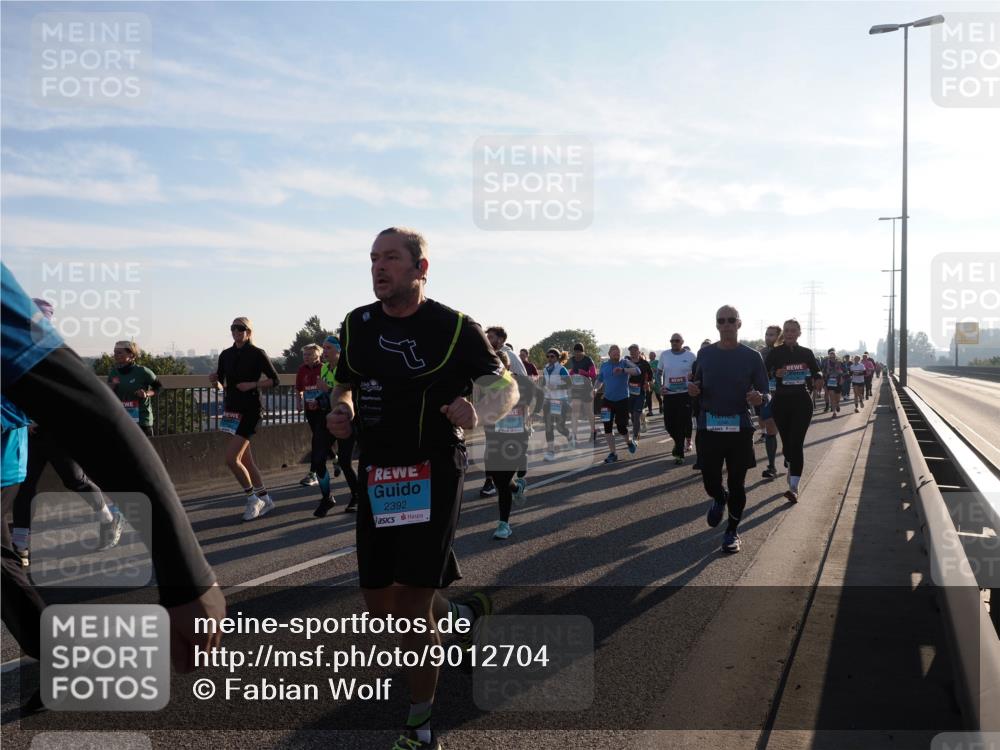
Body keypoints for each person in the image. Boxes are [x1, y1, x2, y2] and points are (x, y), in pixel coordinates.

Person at [325, 227, 518, 750]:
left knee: (411, 606)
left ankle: (420, 725)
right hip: (379, 473)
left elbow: (505, 384)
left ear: (421, 268)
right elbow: (344, 382)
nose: (378, 267)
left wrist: (479, 409)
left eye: (391, 258)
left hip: (433, 469)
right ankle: (459, 618)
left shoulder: (455, 327)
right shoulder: (357, 323)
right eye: (373, 258)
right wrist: (342, 408)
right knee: (380, 605)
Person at [1, 263, 226, 686]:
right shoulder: (111, 369)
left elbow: (88, 408)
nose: (119, 355)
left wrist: (186, 576)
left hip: (30, 445)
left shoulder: (21, 331)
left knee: (73, 482)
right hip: (32, 441)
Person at [688, 306, 768, 553]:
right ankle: (718, 497)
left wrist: (760, 398)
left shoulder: (752, 356)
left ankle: (732, 531)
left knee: (737, 483)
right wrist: (694, 389)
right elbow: (697, 383)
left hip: (739, 427)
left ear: (739, 324)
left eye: (731, 320)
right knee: (710, 482)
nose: (726, 325)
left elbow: (766, 392)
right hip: (709, 427)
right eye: (721, 321)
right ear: (716, 325)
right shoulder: (705, 354)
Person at [210, 317, 281, 521]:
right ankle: (265, 499)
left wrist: (253, 385)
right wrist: (214, 382)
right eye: (233, 328)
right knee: (246, 460)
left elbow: (275, 380)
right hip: (232, 411)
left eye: (240, 328)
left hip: (251, 411)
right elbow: (220, 384)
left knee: (231, 459)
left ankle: (252, 499)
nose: (236, 331)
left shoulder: (257, 353)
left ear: (248, 332)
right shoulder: (226, 354)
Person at [765, 319, 823, 504]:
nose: (790, 333)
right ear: (784, 333)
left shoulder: (806, 353)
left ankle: (794, 488)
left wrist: (818, 378)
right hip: (781, 402)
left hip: (801, 402)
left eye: (793, 331)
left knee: (796, 443)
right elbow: (763, 373)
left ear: (799, 333)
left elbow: (817, 371)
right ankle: (790, 463)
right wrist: (775, 374)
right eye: (787, 331)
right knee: (788, 445)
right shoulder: (775, 353)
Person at [479, 348, 531, 540]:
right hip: (495, 437)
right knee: (499, 479)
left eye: (500, 366)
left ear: (507, 366)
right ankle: (516, 488)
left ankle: (503, 525)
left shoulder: (519, 383)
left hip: (515, 437)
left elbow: (526, 409)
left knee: (502, 483)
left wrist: (526, 434)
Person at [318, 335, 361, 512]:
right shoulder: (324, 368)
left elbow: (346, 391)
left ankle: (357, 497)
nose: (324, 351)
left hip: (345, 419)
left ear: (339, 350)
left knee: (345, 462)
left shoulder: (346, 369)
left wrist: (327, 390)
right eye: (323, 348)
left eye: (328, 348)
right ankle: (327, 498)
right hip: (327, 417)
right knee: (318, 459)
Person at [296, 343, 340, 516]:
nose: (306, 357)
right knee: (317, 443)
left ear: (317, 355)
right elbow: (299, 388)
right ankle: (333, 461)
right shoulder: (303, 370)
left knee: (320, 444)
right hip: (312, 410)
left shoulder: (327, 368)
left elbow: (338, 389)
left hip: (330, 411)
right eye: (304, 354)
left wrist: (325, 396)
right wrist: (300, 402)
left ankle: (315, 472)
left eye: (309, 354)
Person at [106, 340, 162, 437]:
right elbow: (110, 395)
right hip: (122, 420)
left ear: (131, 354)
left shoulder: (143, 371)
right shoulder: (113, 373)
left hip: (142, 421)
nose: (115, 355)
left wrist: (146, 394)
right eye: (115, 352)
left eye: (119, 352)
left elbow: (159, 387)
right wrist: (109, 389)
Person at [596, 345, 639, 463]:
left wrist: (624, 370)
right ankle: (613, 453)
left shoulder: (625, 363)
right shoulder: (604, 365)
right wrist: (595, 389)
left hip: (622, 400)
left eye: (618, 353)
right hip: (607, 400)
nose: (617, 355)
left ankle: (629, 442)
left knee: (621, 427)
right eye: (614, 353)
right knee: (607, 426)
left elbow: (637, 371)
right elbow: (600, 380)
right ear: (609, 354)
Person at [659, 334, 696, 465]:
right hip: (669, 395)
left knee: (681, 424)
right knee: (669, 425)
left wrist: (693, 381)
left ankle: (679, 453)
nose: (674, 343)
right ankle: (678, 443)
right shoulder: (665, 355)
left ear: (682, 342)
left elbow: (697, 373)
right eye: (672, 341)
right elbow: (658, 373)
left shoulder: (691, 356)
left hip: (685, 395)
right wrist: (660, 386)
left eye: (677, 341)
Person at [757, 326, 781, 479]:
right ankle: (771, 466)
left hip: (786, 396)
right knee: (770, 428)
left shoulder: (786, 351)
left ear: (779, 337)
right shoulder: (760, 353)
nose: (767, 337)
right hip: (768, 396)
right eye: (766, 334)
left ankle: (789, 457)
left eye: (771, 335)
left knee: (786, 431)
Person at [540, 348, 572, 460]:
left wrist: (556, 387)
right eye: (548, 356)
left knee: (560, 427)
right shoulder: (545, 369)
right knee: (548, 426)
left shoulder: (561, 369)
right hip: (548, 401)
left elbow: (569, 384)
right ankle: (551, 451)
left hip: (560, 401)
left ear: (557, 358)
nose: (549, 358)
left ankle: (569, 436)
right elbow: (544, 383)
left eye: (552, 356)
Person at [567, 342, 597, 444]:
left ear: (583, 352)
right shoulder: (572, 360)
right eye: (575, 352)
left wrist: (584, 373)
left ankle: (593, 432)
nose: (577, 354)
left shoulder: (588, 360)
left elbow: (593, 374)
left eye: (579, 352)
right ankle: (574, 435)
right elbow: (571, 371)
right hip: (576, 389)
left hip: (587, 388)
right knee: (575, 412)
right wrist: (570, 374)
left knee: (589, 412)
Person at [625, 344, 652, 441]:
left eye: (634, 351)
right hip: (629, 392)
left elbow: (650, 375)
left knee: (636, 415)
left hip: (640, 392)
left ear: (638, 352)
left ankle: (635, 436)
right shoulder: (627, 363)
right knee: (633, 416)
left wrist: (647, 382)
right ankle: (637, 430)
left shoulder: (644, 363)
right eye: (631, 351)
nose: (632, 353)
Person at [821, 348, 845, 418]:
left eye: (833, 357)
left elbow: (845, 371)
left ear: (835, 356)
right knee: (832, 397)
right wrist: (824, 377)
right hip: (830, 381)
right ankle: (834, 412)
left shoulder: (840, 362)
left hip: (838, 381)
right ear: (829, 357)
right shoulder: (826, 363)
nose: (832, 358)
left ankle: (837, 404)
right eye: (831, 357)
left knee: (837, 397)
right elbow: (823, 371)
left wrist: (842, 378)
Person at [647, 351, 661, 416]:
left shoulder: (657, 362)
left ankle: (661, 406)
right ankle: (650, 411)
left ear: (655, 356)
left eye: (652, 355)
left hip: (657, 382)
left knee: (658, 396)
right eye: (650, 355)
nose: (650, 356)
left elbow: (660, 371)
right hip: (650, 382)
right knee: (648, 396)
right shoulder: (647, 363)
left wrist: (653, 369)